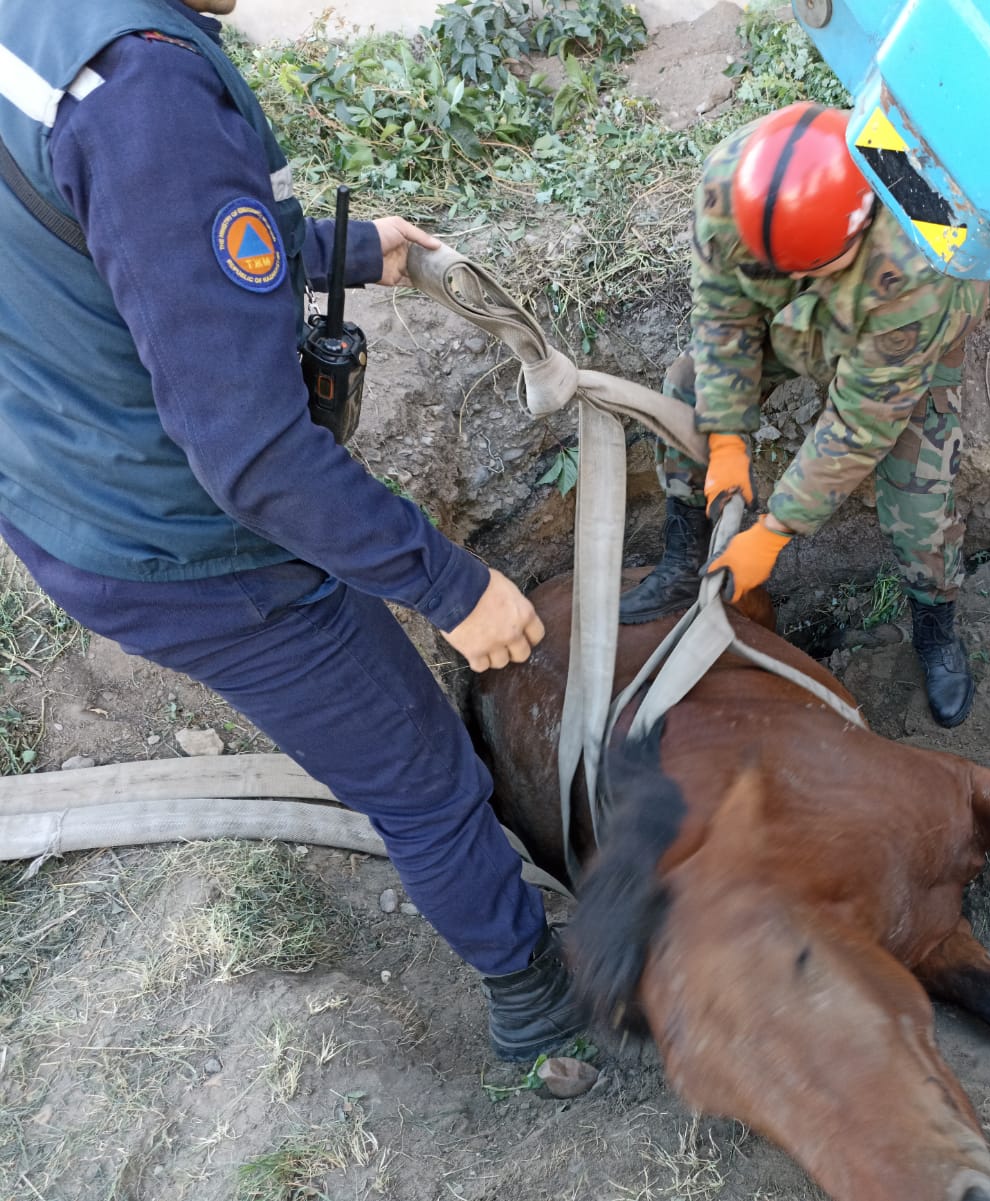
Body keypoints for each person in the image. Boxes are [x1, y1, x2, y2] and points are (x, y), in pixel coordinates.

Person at [0, 0, 580, 1060]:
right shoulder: (142, 90)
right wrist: (451, 587)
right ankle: (535, 999)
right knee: (424, 780)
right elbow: (259, 461)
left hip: (57, 472)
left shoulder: (41, 32)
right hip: (189, 547)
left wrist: (336, 250)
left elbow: (127, 232)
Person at [617, 103, 990, 728]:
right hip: (799, 323)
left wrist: (775, 529)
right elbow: (723, 316)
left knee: (921, 505)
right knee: (687, 390)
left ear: (856, 234)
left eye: (804, 269)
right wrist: (729, 438)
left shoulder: (927, 263)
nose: (783, 277)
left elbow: (859, 424)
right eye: (770, 267)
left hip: (898, 346)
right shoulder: (729, 186)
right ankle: (685, 564)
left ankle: (935, 625)